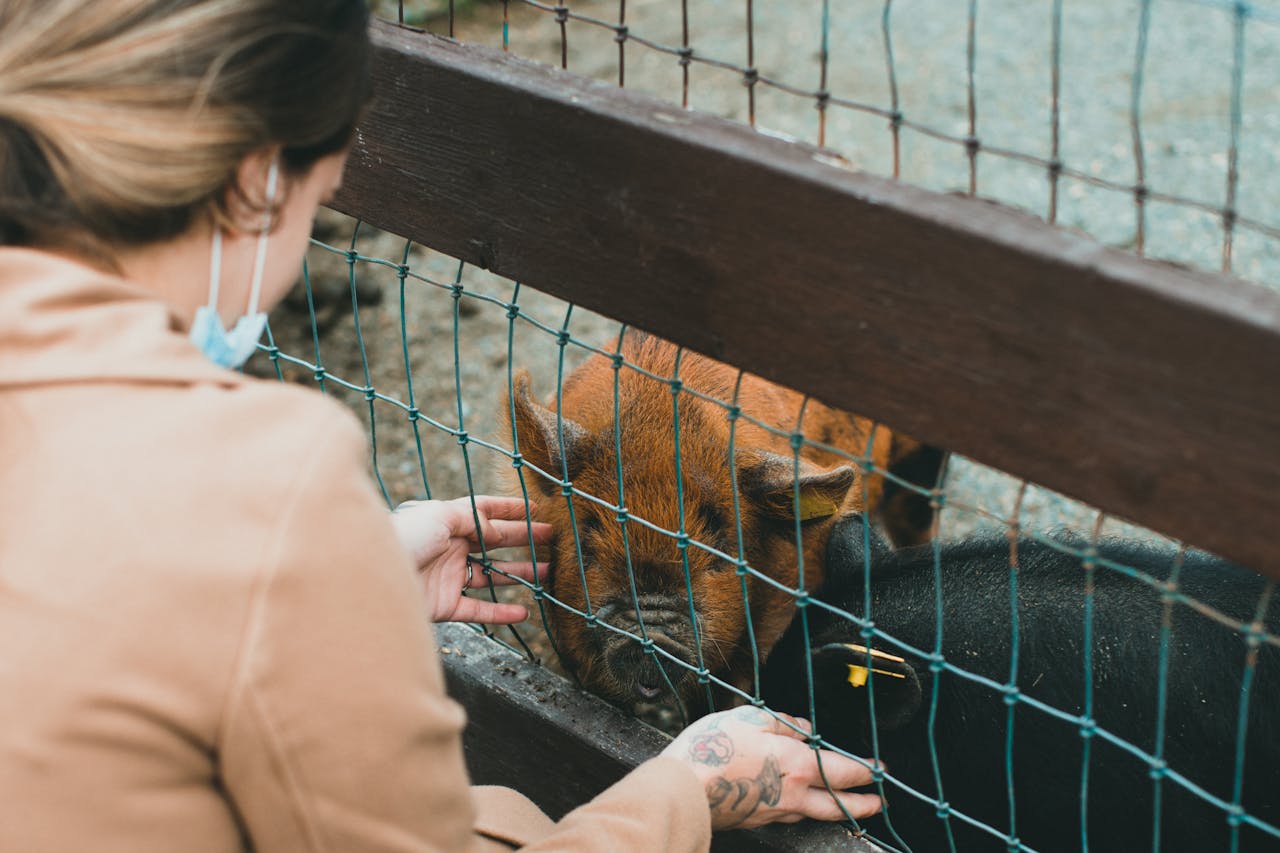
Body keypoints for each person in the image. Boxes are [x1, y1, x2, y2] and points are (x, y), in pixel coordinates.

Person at [0, 1, 884, 850]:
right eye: (322, 199)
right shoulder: (270, 473)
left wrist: (348, 580)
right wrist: (687, 791)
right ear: (257, 181)